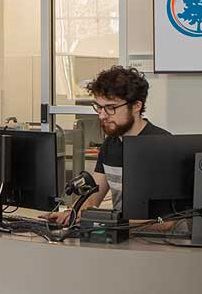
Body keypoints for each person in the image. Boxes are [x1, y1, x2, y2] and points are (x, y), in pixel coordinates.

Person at [59, 65, 170, 219]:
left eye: (111, 107)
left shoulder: (163, 145)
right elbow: (93, 197)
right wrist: (71, 214)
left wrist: (111, 225)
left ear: (136, 106)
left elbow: (168, 221)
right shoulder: (110, 144)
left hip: (156, 239)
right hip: (121, 237)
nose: (102, 116)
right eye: (99, 107)